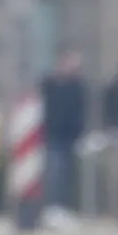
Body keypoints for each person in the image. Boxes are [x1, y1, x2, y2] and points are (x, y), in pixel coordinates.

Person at [41, 48, 87, 211]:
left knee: (65, 174)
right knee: (55, 172)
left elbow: (80, 111)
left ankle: (61, 207)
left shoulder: (78, 87)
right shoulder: (49, 85)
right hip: (52, 135)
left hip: (70, 136)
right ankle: (53, 206)